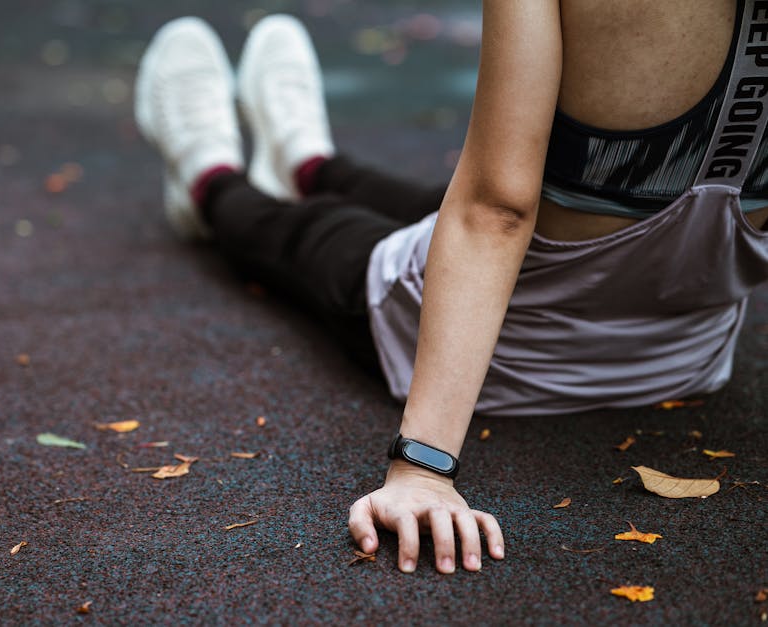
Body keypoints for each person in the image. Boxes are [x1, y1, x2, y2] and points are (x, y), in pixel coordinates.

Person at [135, 2, 768, 575]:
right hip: (685, 355)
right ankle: (310, 163)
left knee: (317, 234)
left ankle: (207, 178)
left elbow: (496, 212)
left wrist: (423, 470)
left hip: (508, 360)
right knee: (461, 204)